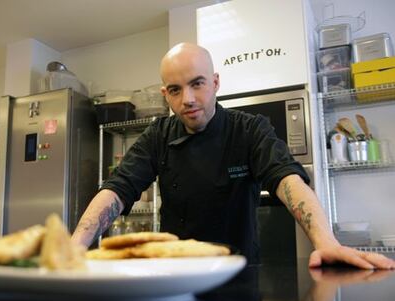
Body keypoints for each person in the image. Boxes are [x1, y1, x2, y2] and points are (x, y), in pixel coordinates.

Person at [72, 42, 395, 269]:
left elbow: (287, 180)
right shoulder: (158, 135)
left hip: (240, 270)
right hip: (177, 273)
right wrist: (74, 247)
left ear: (214, 83)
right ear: (165, 94)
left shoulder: (250, 130)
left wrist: (326, 243)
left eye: (197, 84)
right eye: (175, 90)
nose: (187, 99)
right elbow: (118, 188)